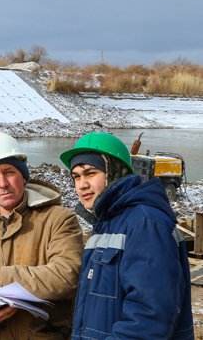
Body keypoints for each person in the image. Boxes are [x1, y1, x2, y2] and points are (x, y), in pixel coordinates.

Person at [60, 132, 194, 339]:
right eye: (76, 176)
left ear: (115, 171)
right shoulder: (106, 224)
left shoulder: (145, 223)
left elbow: (149, 318)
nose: (82, 184)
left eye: (90, 173)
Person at [0, 129, 83, 339]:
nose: (2, 183)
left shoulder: (59, 219)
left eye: (9, 172)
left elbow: (67, 276)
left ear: (23, 177)